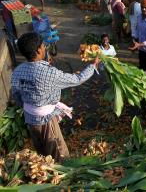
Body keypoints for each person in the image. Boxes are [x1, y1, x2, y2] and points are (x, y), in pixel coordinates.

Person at [11, 32, 100, 162]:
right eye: (43, 46)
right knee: (59, 155)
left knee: (41, 153)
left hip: (30, 119)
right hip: (46, 121)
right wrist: (92, 66)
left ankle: (47, 171)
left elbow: (16, 95)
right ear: (38, 50)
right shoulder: (48, 72)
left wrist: (29, 106)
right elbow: (77, 79)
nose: (45, 48)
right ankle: (62, 178)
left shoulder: (18, 71)